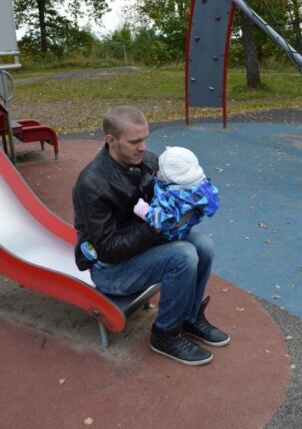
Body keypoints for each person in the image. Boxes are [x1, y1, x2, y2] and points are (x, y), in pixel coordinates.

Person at [72, 105, 229, 366]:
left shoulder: (148, 161)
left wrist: (196, 200)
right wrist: (159, 226)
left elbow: (179, 194)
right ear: (111, 141)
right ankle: (165, 333)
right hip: (111, 270)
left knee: (203, 245)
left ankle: (189, 317)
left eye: (145, 138)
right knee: (183, 255)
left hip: (141, 249)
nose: (143, 146)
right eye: (135, 141)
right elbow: (108, 249)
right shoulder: (91, 184)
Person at [133, 146, 220, 241]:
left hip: (169, 235)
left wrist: (145, 211)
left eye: (161, 170)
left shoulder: (175, 199)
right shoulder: (198, 186)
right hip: (184, 229)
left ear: (173, 178)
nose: (157, 171)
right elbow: (212, 203)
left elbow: (165, 220)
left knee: (201, 245)